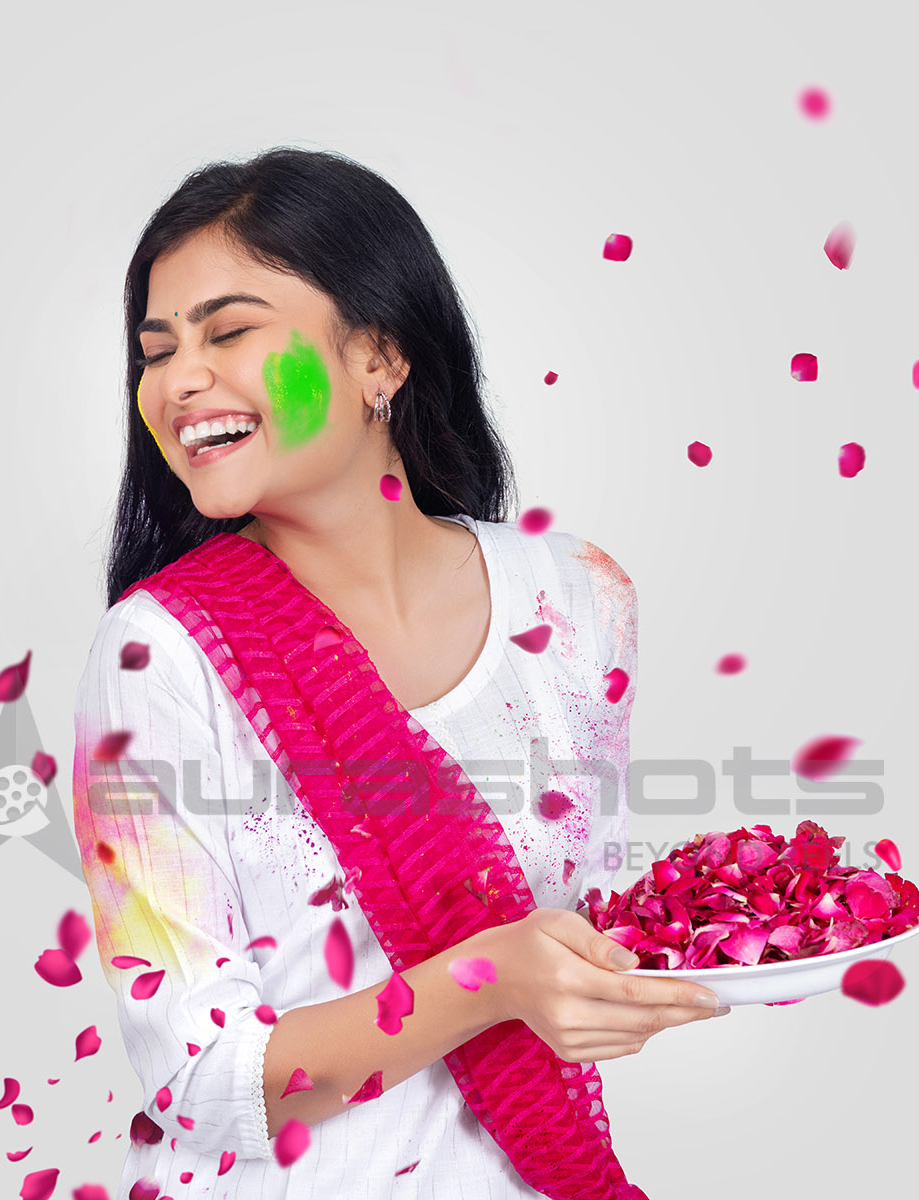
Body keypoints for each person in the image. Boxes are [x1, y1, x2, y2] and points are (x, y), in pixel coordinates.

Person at [70, 146, 728, 1200]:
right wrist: (490, 979)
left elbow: (581, 926)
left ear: (380, 357)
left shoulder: (578, 601)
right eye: (157, 350)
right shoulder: (160, 655)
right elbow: (202, 1080)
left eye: (228, 332)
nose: (179, 379)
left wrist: (744, 937)